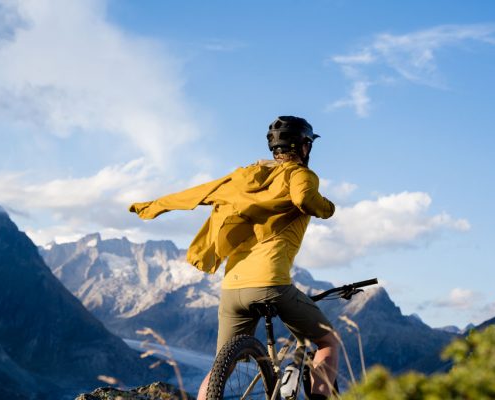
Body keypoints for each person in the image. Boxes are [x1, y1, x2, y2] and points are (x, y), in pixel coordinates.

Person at [129, 116, 338, 399]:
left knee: (220, 368)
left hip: (233, 287)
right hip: (271, 283)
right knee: (327, 342)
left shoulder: (245, 179)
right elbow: (304, 199)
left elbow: (202, 192)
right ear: (303, 146)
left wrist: (153, 205)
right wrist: (327, 208)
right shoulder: (300, 175)